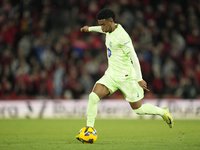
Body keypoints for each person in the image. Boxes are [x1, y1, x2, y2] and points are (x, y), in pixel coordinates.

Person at [76, 8, 174, 141]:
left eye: (103, 24)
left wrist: (139, 79)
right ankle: (89, 130)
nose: (102, 27)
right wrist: (90, 29)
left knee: (138, 109)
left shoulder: (123, 37)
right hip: (111, 74)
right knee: (93, 97)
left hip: (127, 77)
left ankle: (163, 112)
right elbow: (101, 29)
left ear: (111, 22)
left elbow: (134, 58)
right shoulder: (109, 29)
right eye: (100, 24)